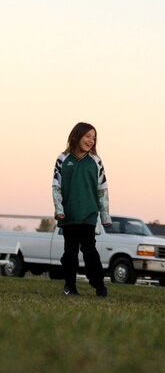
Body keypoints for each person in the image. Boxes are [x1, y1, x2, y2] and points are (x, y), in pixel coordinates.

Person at [52, 122, 111, 297]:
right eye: (87, 136)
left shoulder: (96, 162)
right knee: (70, 253)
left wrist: (105, 215)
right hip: (69, 215)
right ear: (77, 136)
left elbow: (103, 189)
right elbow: (56, 186)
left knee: (90, 252)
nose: (91, 140)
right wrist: (59, 208)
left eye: (94, 138)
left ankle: (99, 285)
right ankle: (70, 286)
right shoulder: (62, 159)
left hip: (89, 215)